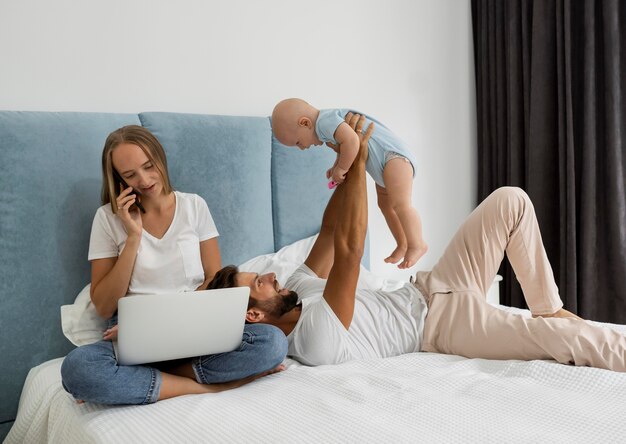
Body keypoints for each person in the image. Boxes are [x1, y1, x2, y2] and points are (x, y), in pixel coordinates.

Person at [208, 113, 626, 372]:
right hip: (443, 327)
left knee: (511, 200)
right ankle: (562, 326)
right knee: (558, 340)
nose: (268, 275)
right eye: (257, 283)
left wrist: (345, 154)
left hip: (430, 287)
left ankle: (549, 307)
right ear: (255, 317)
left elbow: (334, 232)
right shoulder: (313, 340)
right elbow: (352, 250)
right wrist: (358, 159)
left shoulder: (296, 287)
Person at [61, 125, 287, 405]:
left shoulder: (194, 206)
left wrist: (168, 325)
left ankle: (158, 377)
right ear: (118, 179)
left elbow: (214, 282)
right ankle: (203, 386)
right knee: (78, 369)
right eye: (131, 174)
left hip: (193, 325)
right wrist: (133, 238)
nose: (144, 180)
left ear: (160, 158)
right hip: (134, 333)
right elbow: (105, 306)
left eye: (148, 166)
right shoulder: (106, 219)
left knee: (273, 342)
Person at [271, 98, 427, 269]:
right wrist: (337, 165)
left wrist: (341, 168)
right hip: (384, 168)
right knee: (385, 206)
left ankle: (417, 244)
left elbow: (352, 142)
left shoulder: (324, 122)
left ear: (305, 123)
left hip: (393, 158)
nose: (301, 148)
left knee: (401, 205)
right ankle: (402, 244)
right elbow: (345, 146)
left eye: (298, 143)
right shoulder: (328, 125)